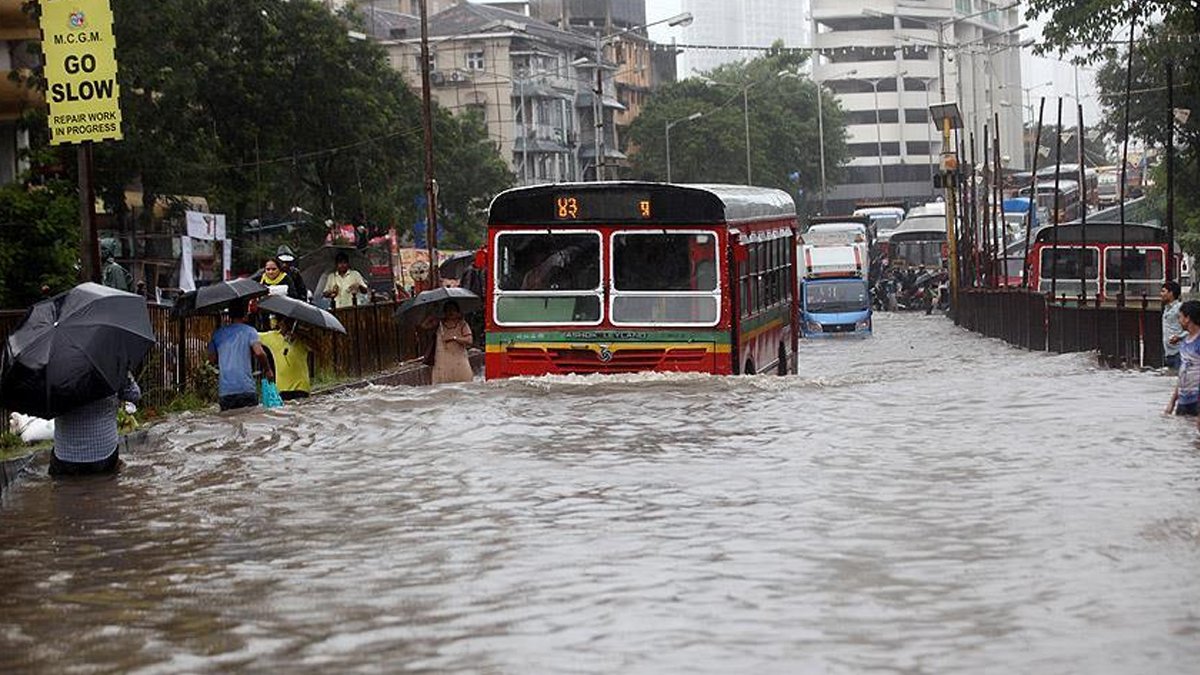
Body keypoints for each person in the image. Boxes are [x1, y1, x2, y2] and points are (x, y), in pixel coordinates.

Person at [49, 374, 140, 477]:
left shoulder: (56, 372)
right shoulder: (113, 365)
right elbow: (133, 395)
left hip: (64, 456)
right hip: (104, 454)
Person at [208, 300, 274, 411]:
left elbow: (211, 359)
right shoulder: (250, 331)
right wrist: (268, 370)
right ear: (245, 315)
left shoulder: (217, 334)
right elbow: (259, 352)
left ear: (229, 315)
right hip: (246, 389)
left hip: (226, 392)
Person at [1164, 300, 1200, 423]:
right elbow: (1182, 373)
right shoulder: (1185, 342)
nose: (1179, 320)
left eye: (1180, 317)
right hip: (1184, 399)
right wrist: (1172, 402)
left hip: (1197, 399)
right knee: (1183, 437)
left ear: (1187, 318)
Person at [420, 301, 473, 384]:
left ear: (458, 312)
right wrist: (433, 314)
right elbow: (424, 326)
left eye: (453, 310)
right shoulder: (440, 324)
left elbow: (469, 340)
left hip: (459, 360)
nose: (450, 312)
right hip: (442, 360)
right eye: (448, 310)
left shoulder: (462, 324)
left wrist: (454, 338)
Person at [258, 320, 312, 400]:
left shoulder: (302, 339)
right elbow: (252, 335)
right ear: (279, 323)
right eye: (283, 322)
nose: (286, 325)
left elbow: (319, 348)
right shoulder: (272, 336)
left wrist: (301, 337)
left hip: (301, 388)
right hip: (282, 389)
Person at [1161, 281, 1186, 369]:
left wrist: (1180, 337)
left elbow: (1193, 327)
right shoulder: (1166, 309)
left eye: (1163, 291)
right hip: (1168, 353)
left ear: (1171, 293)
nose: (1161, 294)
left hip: (1179, 352)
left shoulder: (1180, 308)